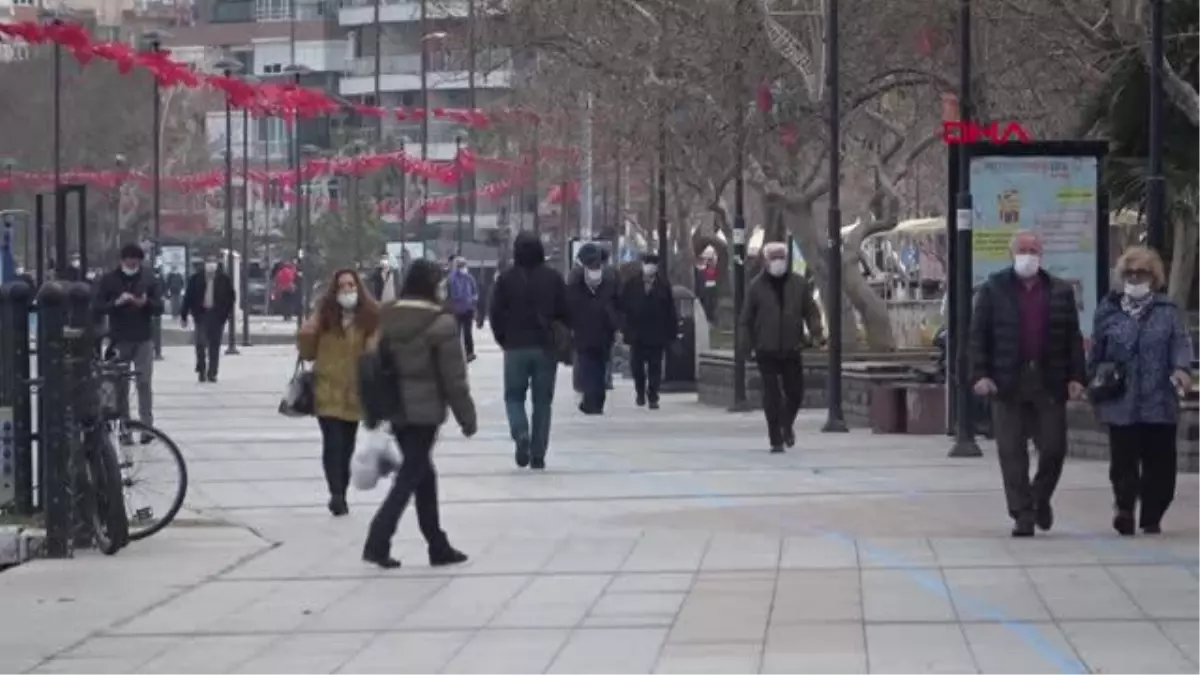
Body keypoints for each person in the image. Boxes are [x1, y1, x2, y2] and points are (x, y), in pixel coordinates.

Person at [970, 230, 1086, 538]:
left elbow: (1073, 338)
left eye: (1034, 249)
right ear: (1012, 253)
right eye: (1023, 249)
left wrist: (1076, 377)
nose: (1029, 254)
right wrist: (980, 374)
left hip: (1048, 380)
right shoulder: (993, 289)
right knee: (1012, 451)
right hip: (1007, 381)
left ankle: (1039, 498)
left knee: (1053, 447)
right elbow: (977, 337)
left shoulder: (1059, 291)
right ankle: (1022, 513)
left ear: (1042, 255)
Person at [364, 259, 474, 569]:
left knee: (423, 473)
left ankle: (437, 544)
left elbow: (374, 362)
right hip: (425, 410)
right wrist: (467, 417)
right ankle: (377, 539)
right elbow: (453, 378)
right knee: (412, 473)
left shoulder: (387, 316)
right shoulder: (442, 323)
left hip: (396, 407)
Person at [1089, 246, 1192, 536]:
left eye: (1141, 273)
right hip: (1121, 401)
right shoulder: (1108, 311)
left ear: (1154, 276)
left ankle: (1152, 514)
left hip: (1159, 400)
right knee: (1123, 463)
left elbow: (1180, 344)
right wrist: (1093, 383)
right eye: (1129, 273)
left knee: (1161, 466)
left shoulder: (1168, 312)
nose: (1135, 279)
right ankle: (1124, 508)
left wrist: (1182, 369)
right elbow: (1096, 353)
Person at [299, 269, 379, 517]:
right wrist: (306, 333)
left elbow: (374, 351)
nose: (348, 290)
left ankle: (341, 489)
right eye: (343, 286)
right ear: (335, 290)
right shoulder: (323, 316)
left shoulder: (369, 317)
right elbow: (308, 353)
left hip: (354, 390)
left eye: (351, 285)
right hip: (327, 388)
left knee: (347, 446)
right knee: (332, 444)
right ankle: (336, 494)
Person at [490, 231, 568, 469]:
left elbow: (495, 313)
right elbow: (565, 311)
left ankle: (520, 431)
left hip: (515, 347)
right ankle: (538, 453)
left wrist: (503, 339)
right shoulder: (553, 278)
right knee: (543, 401)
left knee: (514, 396)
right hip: (545, 348)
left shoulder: (506, 279)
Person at [739, 242, 824, 453]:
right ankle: (775, 438)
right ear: (766, 262)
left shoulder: (799, 284)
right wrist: (746, 346)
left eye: (781, 258)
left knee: (795, 393)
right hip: (765, 348)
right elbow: (745, 319)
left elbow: (811, 311)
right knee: (772, 395)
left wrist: (817, 333)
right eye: (774, 258)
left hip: (791, 346)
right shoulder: (756, 287)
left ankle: (786, 424)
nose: (778, 263)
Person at [93, 243, 164, 435]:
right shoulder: (109, 279)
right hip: (119, 337)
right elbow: (97, 306)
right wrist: (116, 303)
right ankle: (125, 427)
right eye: (129, 260)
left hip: (143, 337)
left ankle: (146, 427)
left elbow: (159, 307)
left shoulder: (149, 278)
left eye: (136, 261)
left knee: (144, 382)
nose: (133, 264)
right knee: (120, 385)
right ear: (122, 260)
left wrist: (145, 303)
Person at [619, 253, 677, 410]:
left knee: (655, 366)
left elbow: (670, 310)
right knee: (637, 366)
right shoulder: (631, 284)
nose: (650, 266)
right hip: (637, 332)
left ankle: (653, 395)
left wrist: (672, 332)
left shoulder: (663, 285)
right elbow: (622, 307)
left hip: (656, 332)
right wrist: (624, 328)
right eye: (647, 263)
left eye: (653, 263)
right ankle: (640, 392)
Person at [567, 243, 620, 414]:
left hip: (584, 330)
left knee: (588, 366)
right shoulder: (610, 278)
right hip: (604, 330)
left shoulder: (576, 280)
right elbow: (619, 303)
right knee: (599, 366)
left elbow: (570, 306)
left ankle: (591, 401)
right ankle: (597, 400)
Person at [181, 255, 236, 383]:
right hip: (201, 315)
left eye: (214, 262)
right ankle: (201, 368)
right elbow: (188, 297)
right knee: (200, 343)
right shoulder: (196, 279)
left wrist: (227, 313)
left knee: (214, 345)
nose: (211, 264)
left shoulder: (224, 279)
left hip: (217, 316)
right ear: (204, 264)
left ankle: (212, 372)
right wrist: (184, 315)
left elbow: (231, 298)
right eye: (209, 262)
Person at [446, 255, 479, 361]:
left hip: (467, 308)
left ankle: (469, 352)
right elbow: (450, 294)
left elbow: (474, 292)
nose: (463, 268)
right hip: (456, 309)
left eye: (464, 265)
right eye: (461, 265)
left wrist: (473, 303)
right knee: (456, 333)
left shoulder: (469, 277)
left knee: (467, 333)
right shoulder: (451, 279)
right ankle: (456, 354)